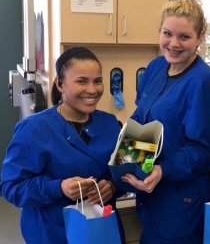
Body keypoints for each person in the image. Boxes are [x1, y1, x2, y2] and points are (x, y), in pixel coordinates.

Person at [120, 0, 210, 244]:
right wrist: (127, 163)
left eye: (184, 37)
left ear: (200, 37)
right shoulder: (156, 67)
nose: (174, 43)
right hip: (152, 188)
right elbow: (140, 119)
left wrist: (162, 169)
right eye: (167, 33)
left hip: (183, 197)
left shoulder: (204, 83)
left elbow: (203, 151)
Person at [1, 47, 125, 244]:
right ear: (60, 84)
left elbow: (122, 172)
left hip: (100, 231)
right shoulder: (34, 129)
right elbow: (11, 186)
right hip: (53, 234)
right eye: (81, 81)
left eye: (98, 81)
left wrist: (112, 186)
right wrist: (58, 187)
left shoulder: (110, 124)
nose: (92, 90)